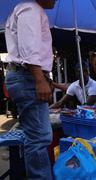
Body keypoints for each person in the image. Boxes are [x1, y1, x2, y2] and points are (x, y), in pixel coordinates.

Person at [4, 0, 57, 179]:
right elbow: (29, 48)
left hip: (26, 75)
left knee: (36, 136)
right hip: (27, 76)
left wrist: (43, 78)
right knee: (39, 138)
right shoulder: (31, 9)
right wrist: (39, 79)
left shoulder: (29, 9)